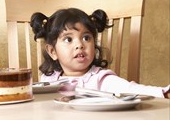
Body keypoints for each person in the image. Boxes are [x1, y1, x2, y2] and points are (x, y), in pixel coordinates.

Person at [30, 8, 170, 98]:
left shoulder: (101, 79)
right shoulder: (47, 80)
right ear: (52, 51)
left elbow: (131, 89)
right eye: (68, 39)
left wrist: (163, 92)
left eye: (86, 38)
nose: (80, 45)